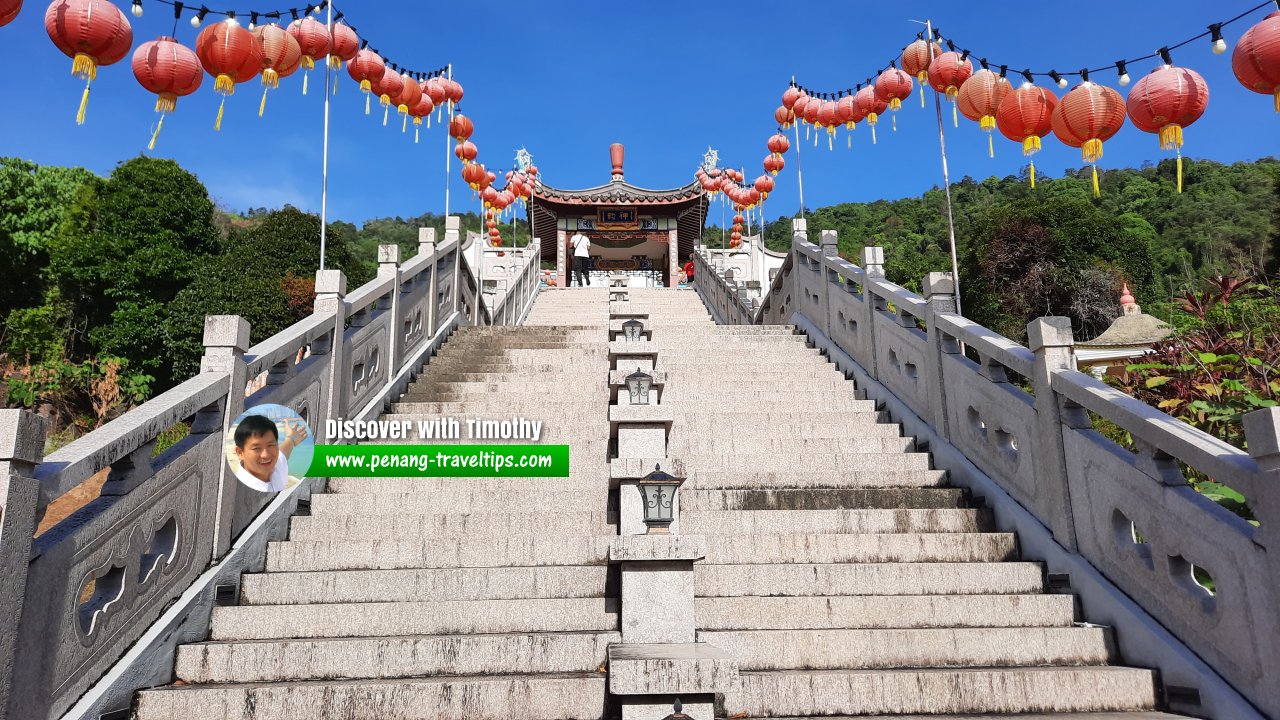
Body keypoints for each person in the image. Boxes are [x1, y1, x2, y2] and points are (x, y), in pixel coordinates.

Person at [232, 414, 309, 492]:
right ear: (240, 452)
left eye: (270, 445)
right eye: (256, 448)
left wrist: (291, 439)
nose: (266, 455)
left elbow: (282, 454)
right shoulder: (240, 491)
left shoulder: (275, 467)